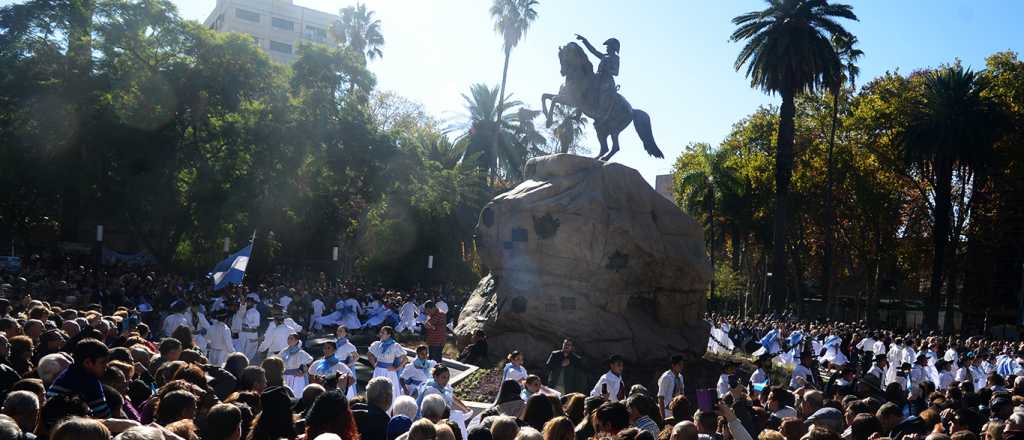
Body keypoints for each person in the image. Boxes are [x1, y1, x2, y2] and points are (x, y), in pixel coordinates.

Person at [46, 338, 112, 418]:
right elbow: (103, 415)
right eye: (103, 362)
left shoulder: (66, 374)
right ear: (87, 362)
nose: (106, 366)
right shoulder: (90, 382)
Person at [368, 326, 407, 400]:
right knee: (377, 390)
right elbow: (369, 354)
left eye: (383, 333)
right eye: (380, 332)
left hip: (389, 372)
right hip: (378, 370)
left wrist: (396, 368)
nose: (380, 334)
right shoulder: (377, 344)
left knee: (389, 392)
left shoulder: (395, 346)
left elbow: (405, 359)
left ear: (389, 335)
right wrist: (374, 364)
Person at [657, 355, 686, 419]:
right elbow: (660, 398)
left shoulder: (680, 377)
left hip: (678, 412)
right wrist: (663, 418)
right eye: (679, 365)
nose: (681, 367)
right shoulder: (666, 377)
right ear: (673, 365)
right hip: (667, 413)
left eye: (682, 365)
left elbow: (682, 394)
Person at [235, 295, 260, 361]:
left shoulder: (255, 312)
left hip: (251, 334)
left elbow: (256, 324)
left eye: (249, 302)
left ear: (252, 303)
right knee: (241, 350)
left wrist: (246, 325)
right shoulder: (244, 310)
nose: (247, 303)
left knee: (249, 351)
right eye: (247, 302)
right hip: (243, 333)